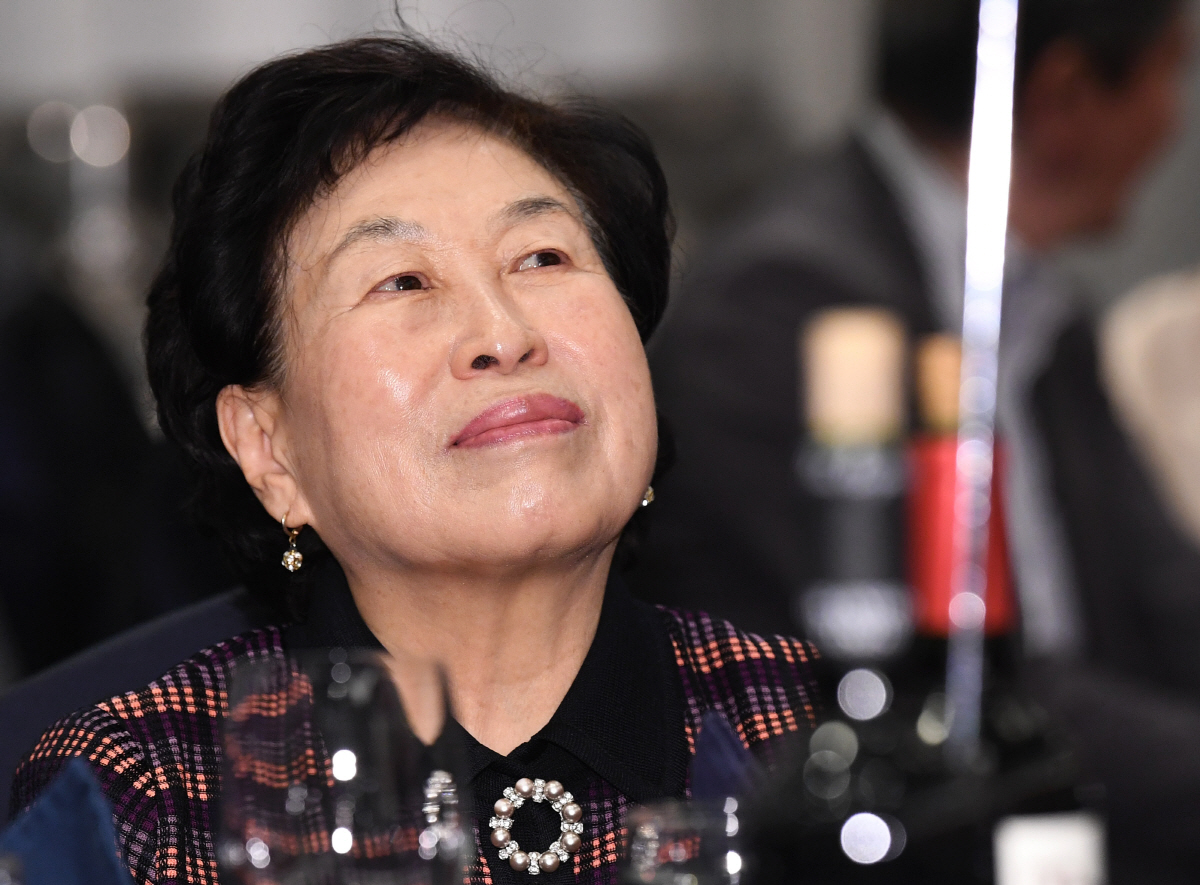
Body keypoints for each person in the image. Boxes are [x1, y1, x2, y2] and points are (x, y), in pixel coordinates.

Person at [9, 36, 819, 883]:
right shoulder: (145, 799)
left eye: (542, 257)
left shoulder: (816, 742)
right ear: (269, 448)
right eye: (402, 281)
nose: (503, 335)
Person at [635, 0, 1199, 879]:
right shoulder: (788, 308)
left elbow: (1168, 602)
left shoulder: (1040, 306)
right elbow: (947, 685)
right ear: (1065, 95)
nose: (1175, 118)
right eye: (1171, 74)